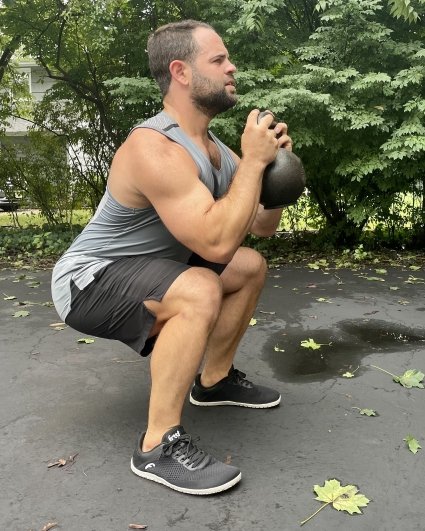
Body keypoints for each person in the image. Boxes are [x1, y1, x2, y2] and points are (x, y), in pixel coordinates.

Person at [51, 19, 293, 495]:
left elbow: (261, 228)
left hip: (148, 272)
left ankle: (214, 381)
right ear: (181, 72)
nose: (232, 67)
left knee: (249, 266)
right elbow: (215, 243)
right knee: (201, 285)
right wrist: (254, 163)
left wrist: (271, 178)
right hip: (86, 281)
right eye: (219, 60)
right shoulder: (154, 147)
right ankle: (157, 446)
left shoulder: (218, 152)